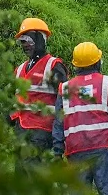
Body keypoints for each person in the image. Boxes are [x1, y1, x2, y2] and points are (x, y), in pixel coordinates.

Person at [51, 42, 108, 195]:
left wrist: (57, 151)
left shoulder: (65, 88)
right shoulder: (107, 83)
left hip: (75, 149)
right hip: (104, 147)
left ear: (76, 65)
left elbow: (58, 122)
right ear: (98, 62)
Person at [10, 18, 66, 155]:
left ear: (41, 39)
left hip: (42, 132)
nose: (25, 45)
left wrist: (60, 136)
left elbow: (65, 100)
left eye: (28, 40)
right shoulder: (19, 69)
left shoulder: (53, 66)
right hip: (21, 131)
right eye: (22, 41)